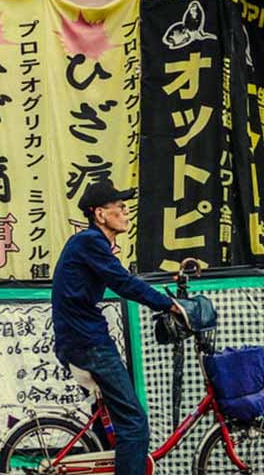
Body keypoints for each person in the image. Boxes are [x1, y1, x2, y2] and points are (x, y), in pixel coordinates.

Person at [52, 179, 183, 475]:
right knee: (134, 423)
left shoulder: (92, 244)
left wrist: (166, 289)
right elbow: (123, 283)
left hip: (83, 338)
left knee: (110, 421)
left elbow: (124, 277)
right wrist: (169, 305)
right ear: (100, 214)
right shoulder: (89, 242)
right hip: (88, 342)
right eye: (120, 208)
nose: (126, 214)